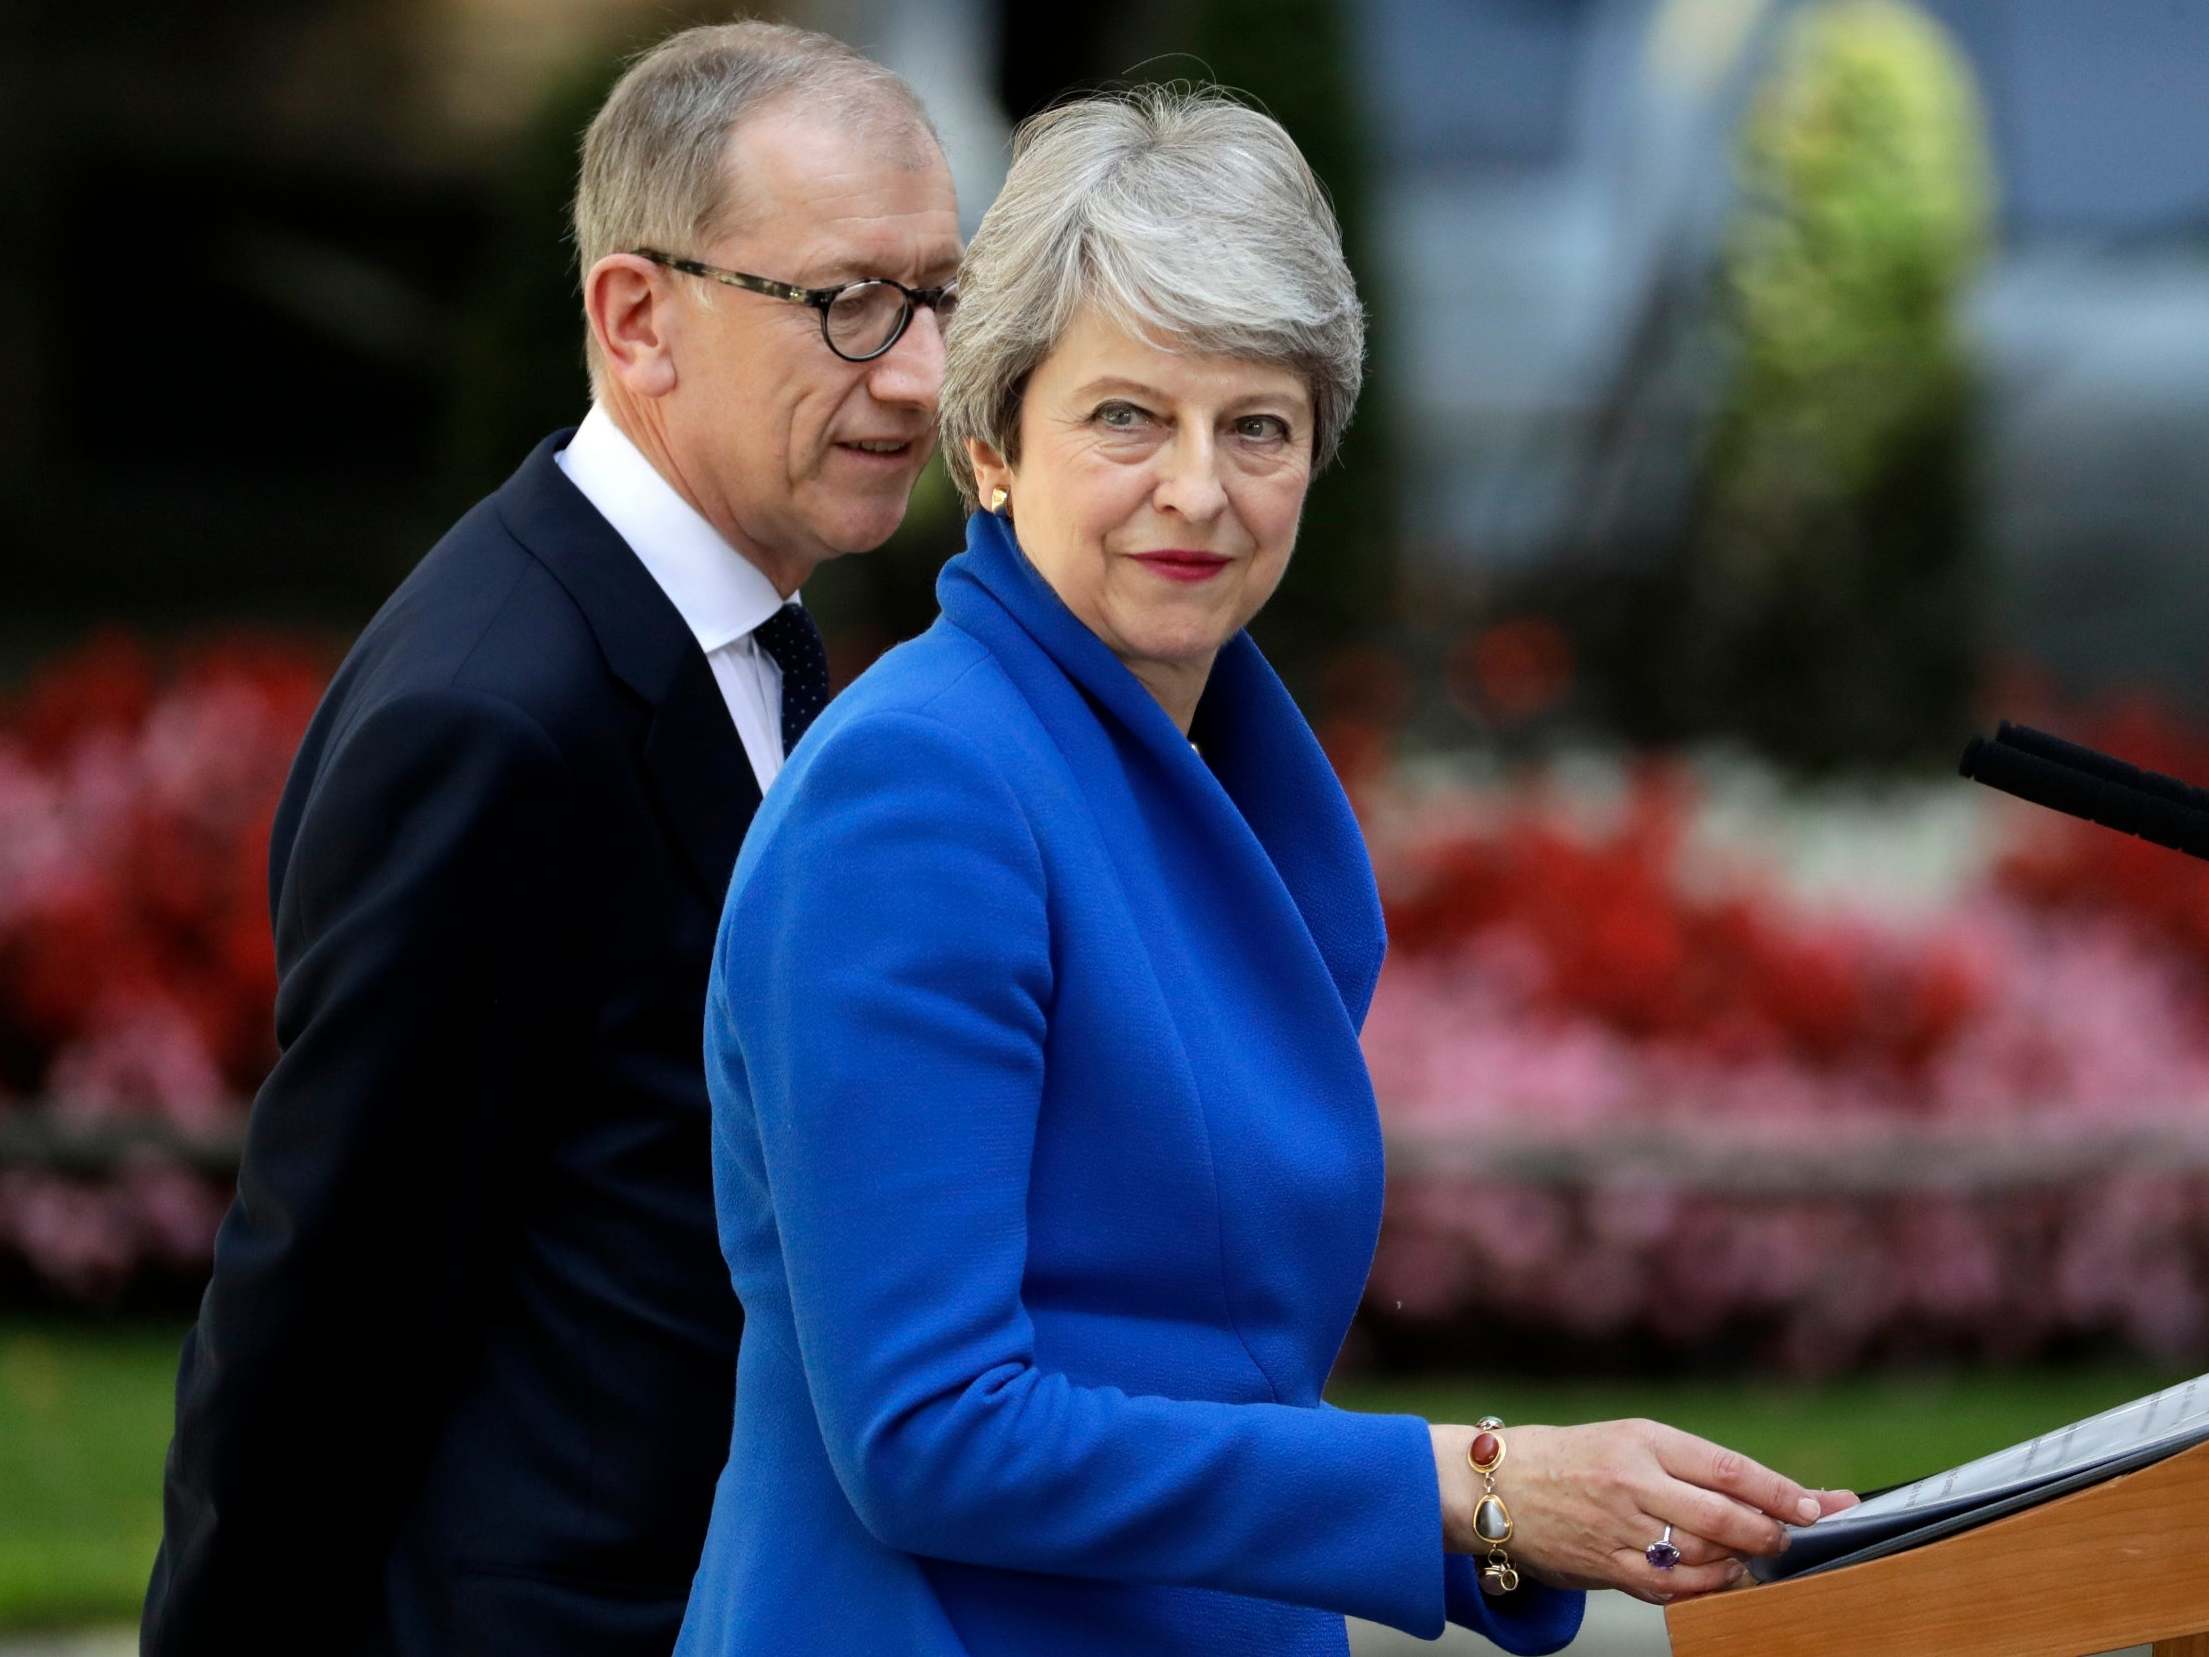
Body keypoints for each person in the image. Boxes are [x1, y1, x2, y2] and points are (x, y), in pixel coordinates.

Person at [675, 85, 1855, 1657]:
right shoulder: (920, 791)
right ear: (987, 444)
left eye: (1257, 426)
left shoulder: (1193, 762)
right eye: (1125, 416)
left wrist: (1538, 1515)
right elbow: (931, 1431)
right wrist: (1471, 1487)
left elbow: (1199, 1357)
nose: (1197, 488)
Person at [141, 23, 959, 1656]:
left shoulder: (743, 633)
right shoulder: (495, 716)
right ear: (637, 320)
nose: (921, 372)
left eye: (941, 296)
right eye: (847, 304)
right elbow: (321, 1308)